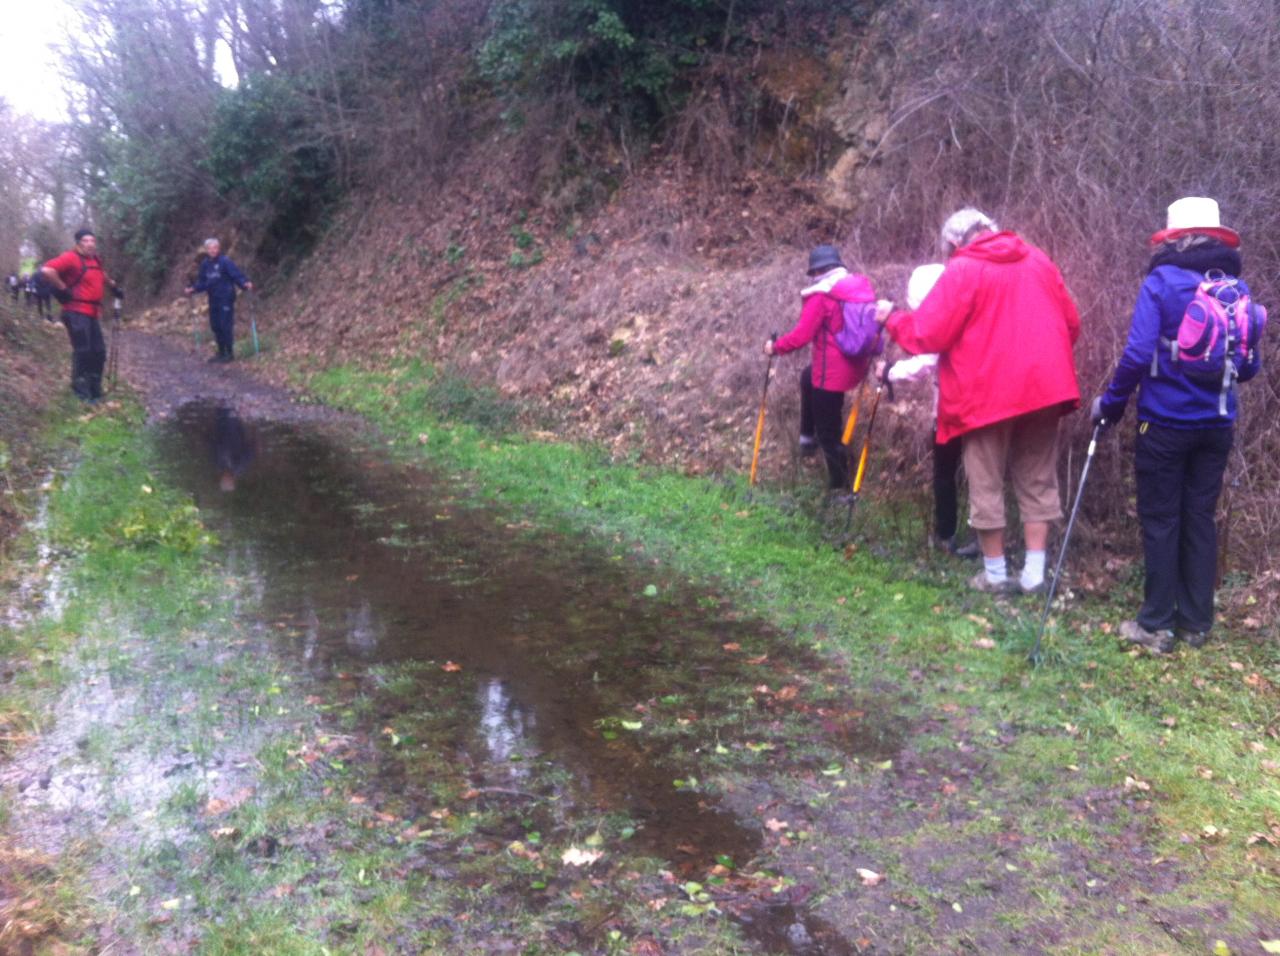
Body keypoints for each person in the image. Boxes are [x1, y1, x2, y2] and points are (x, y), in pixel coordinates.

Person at [878, 209, 1080, 593]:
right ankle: (1035, 576)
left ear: (954, 244)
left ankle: (995, 575)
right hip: (1044, 389)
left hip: (985, 394)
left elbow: (928, 334)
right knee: (1038, 478)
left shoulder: (963, 269)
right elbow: (1071, 324)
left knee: (985, 482)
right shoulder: (1037, 259)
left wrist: (892, 318)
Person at [1092, 197, 1263, 653]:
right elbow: (1248, 367)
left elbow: (1136, 354)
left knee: (1161, 518)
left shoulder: (1162, 282)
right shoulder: (1235, 287)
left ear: (1173, 237)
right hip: (1217, 425)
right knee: (1199, 517)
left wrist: (1109, 406)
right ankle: (1195, 623)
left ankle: (1155, 624)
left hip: (1164, 423)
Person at [764, 245, 878, 498]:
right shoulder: (853, 287)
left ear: (817, 271)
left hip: (831, 375)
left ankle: (840, 487)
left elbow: (802, 336)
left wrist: (775, 348)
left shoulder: (822, 297)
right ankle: (807, 437)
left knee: (829, 431)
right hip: (854, 365)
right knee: (807, 377)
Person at [884, 263, 979, 558]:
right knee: (979, 474)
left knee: (946, 473)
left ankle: (947, 534)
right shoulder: (971, 310)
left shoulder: (945, 318)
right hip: (981, 406)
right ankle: (978, 538)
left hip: (953, 409)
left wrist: (890, 371)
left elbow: (928, 360)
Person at [41, 228, 121, 402]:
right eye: (86, 241)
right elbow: (47, 270)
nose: (90, 244)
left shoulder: (94, 259)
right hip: (75, 311)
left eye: (93, 241)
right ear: (78, 243)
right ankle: (81, 393)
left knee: (98, 351)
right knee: (83, 351)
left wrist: (113, 287)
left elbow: (101, 274)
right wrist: (63, 288)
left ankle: (95, 389)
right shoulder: (70, 257)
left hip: (92, 313)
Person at [185, 238, 252, 362]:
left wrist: (244, 283)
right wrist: (193, 289)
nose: (213, 250)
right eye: (210, 248)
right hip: (213, 298)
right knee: (215, 325)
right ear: (206, 250)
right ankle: (221, 352)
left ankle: (229, 353)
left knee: (225, 324)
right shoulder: (205, 264)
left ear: (218, 249)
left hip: (226, 297)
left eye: (215, 248)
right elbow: (203, 282)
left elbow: (236, 274)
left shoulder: (225, 261)